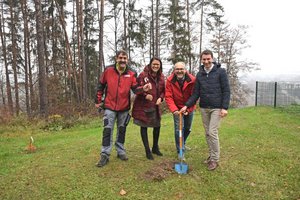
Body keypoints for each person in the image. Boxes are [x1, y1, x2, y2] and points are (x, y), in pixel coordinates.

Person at [95, 50, 151, 167]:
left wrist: (144, 88)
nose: (122, 60)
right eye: (120, 58)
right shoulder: (108, 70)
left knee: (122, 130)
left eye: (125, 58)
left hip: (124, 107)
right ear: (116, 59)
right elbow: (100, 85)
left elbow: (135, 89)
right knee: (107, 130)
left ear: (127, 60)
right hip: (109, 106)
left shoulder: (131, 73)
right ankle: (105, 154)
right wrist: (98, 101)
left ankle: (120, 151)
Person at [180, 50, 230, 171]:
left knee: (212, 132)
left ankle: (215, 159)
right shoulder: (200, 74)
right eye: (204, 59)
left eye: (208, 59)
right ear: (201, 60)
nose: (206, 61)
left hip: (216, 108)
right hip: (204, 108)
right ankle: (211, 155)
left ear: (212, 59)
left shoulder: (220, 72)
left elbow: (226, 90)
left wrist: (224, 107)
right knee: (207, 133)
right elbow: (196, 93)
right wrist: (186, 105)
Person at [132, 57, 165, 160]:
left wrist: (161, 98)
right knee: (144, 126)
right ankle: (147, 150)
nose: (155, 66)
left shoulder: (162, 76)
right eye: (154, 64)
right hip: (143, 106)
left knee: (157, 126)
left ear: (160, 66)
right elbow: (136, 89)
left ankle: (155, 147)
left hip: (155, 105)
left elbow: (164, 90)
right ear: (150, 64)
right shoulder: (143, 75)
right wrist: (145, 94)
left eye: (157, 65)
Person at [165, 62, 196, 159]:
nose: (179, 71)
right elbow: (168, 96)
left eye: (181, 69)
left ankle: (182, 143)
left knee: (187, 128)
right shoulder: (170, 80)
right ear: (174, 70)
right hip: (177, 109)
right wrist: (174, 110)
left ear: (185, 70)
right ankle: (180, 151)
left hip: (188, 107)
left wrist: (188, 108)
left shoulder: (192, 80)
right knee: (179, 130)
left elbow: (194, 96)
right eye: (177, 69)